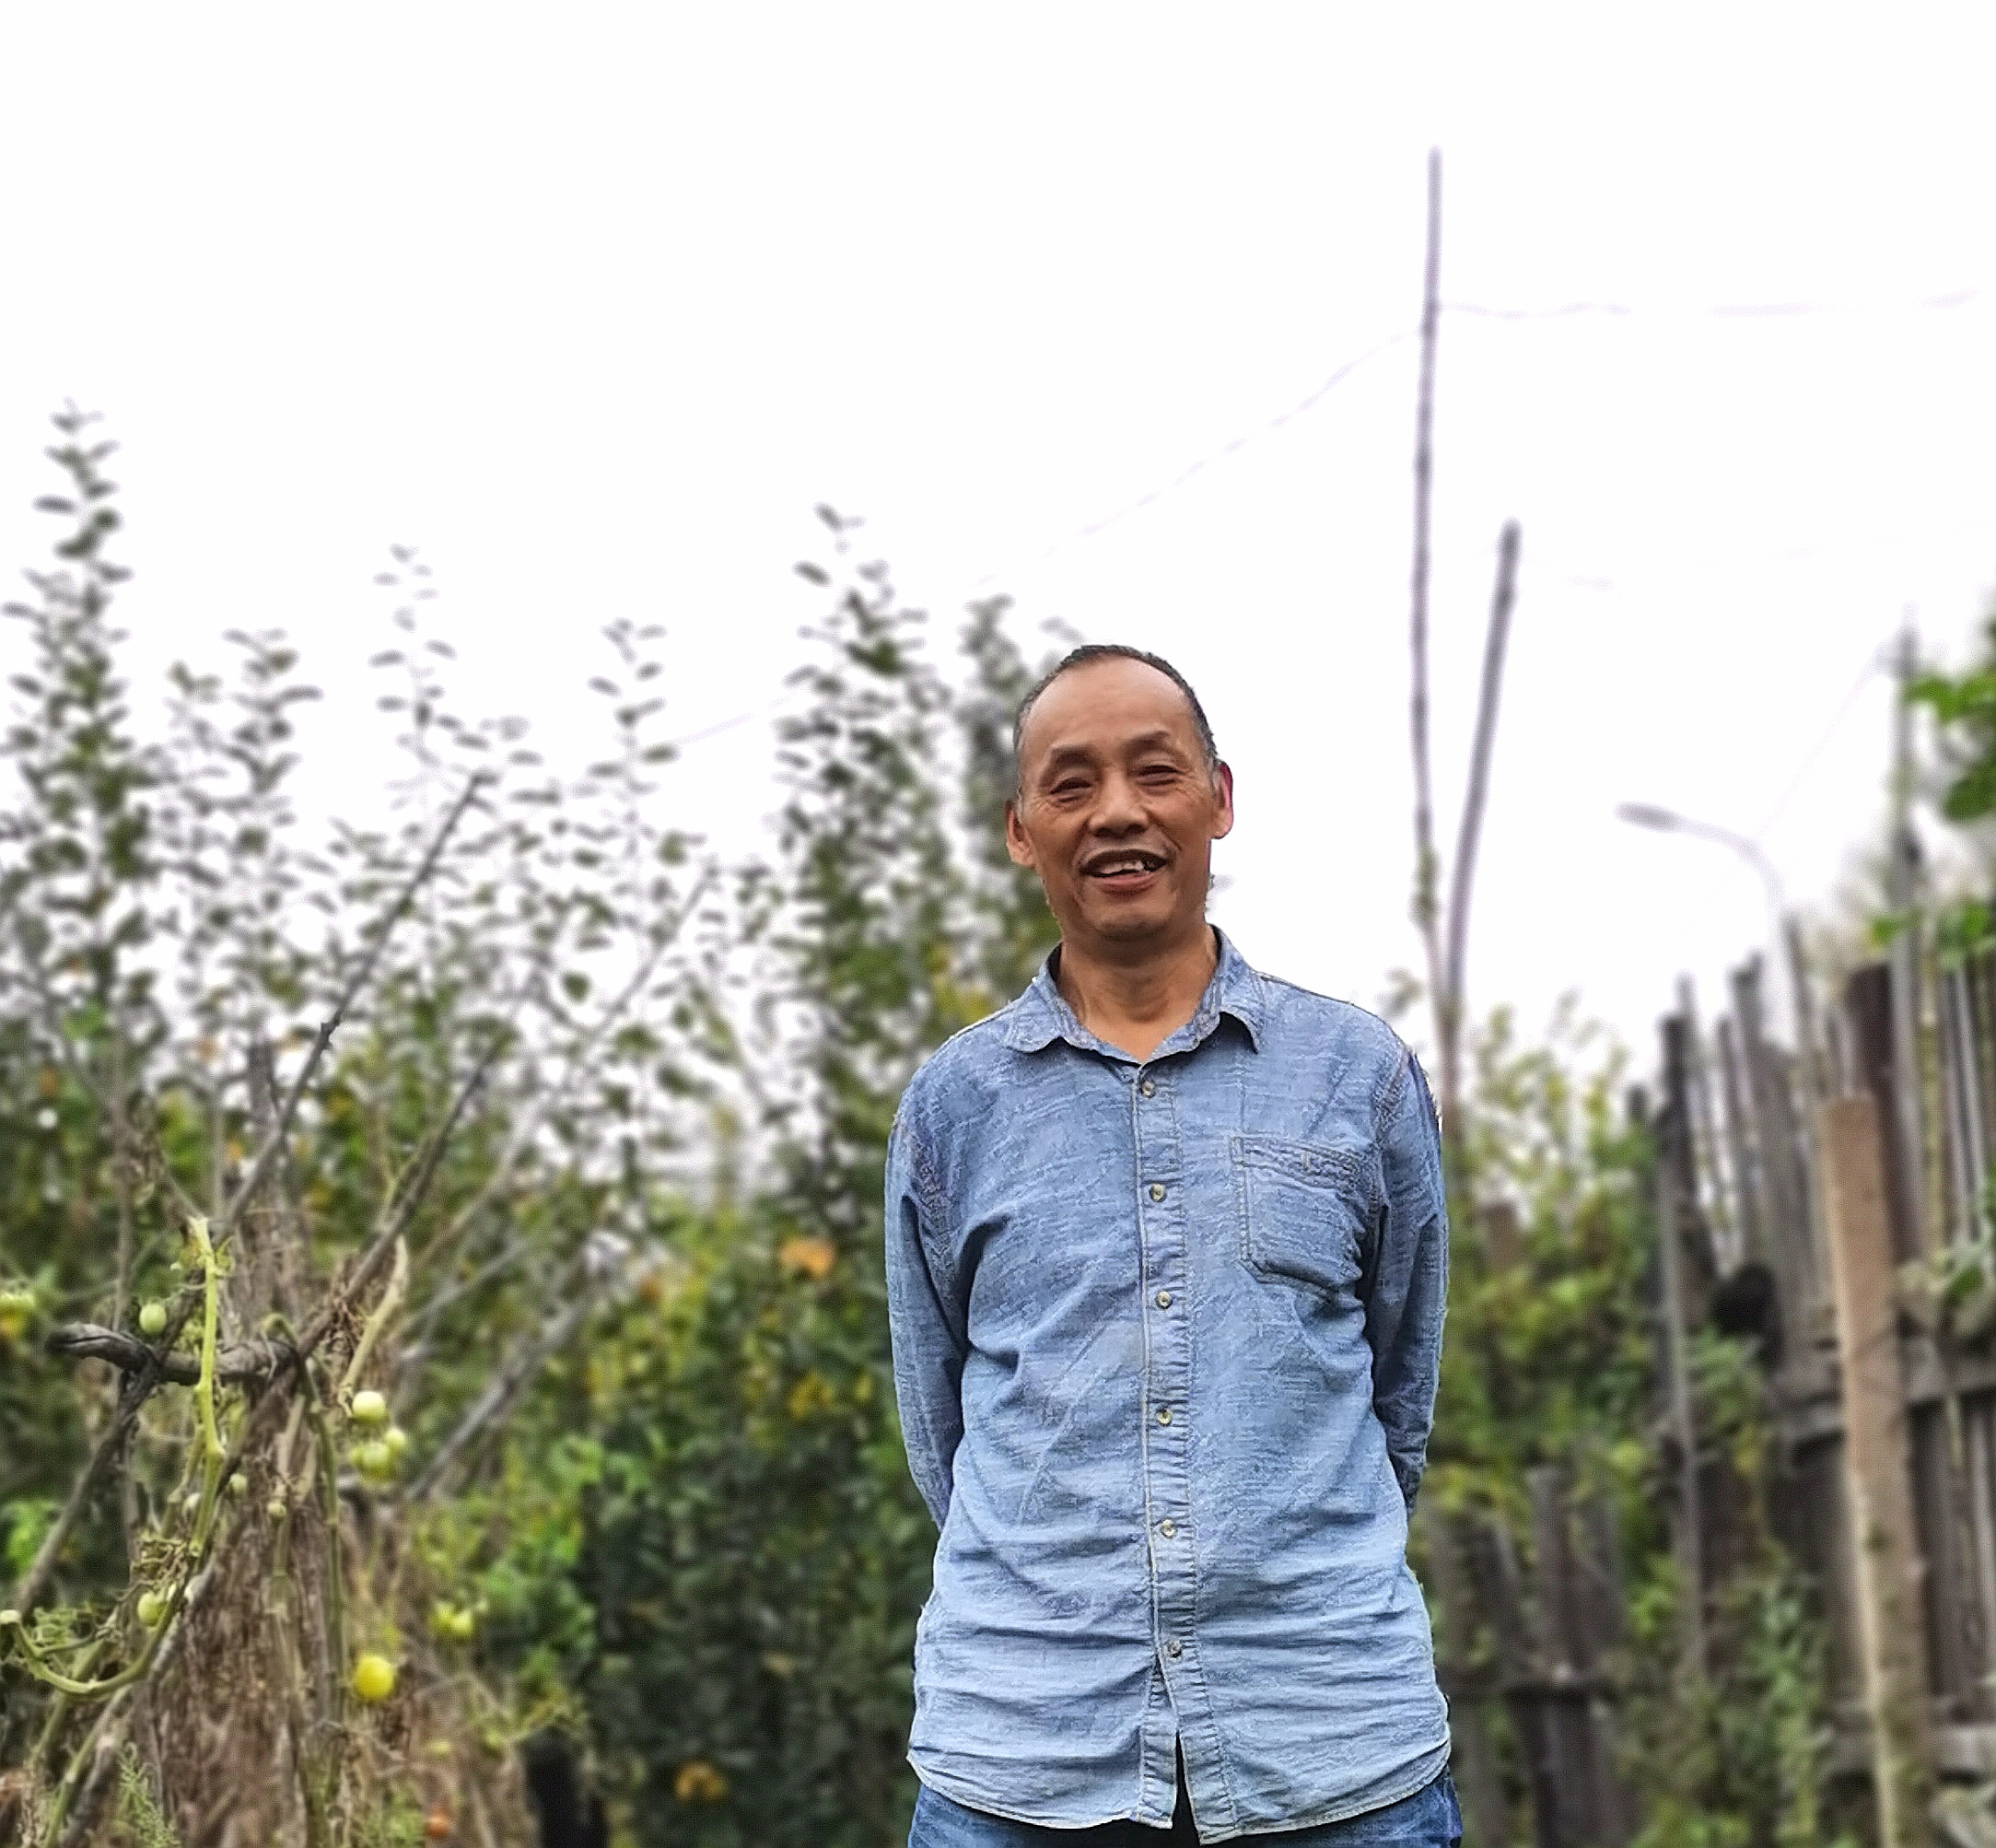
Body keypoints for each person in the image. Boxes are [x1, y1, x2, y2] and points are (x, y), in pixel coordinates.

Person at [884, 646, 1460, 1846]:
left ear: (1219, 798)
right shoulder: (954, 1105)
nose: (1117, 812)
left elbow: (1397, 1394)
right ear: (1020, 831)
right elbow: (940, 1428)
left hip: (1333, 1743)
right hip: (1020, 1760)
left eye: (1155, 772)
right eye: (1071, 783)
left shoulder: (1355, 1075)